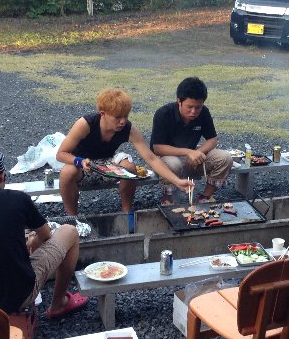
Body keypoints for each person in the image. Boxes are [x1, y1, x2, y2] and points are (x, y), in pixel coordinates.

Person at [0, 147, 88, 319]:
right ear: (2, 176)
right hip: (18, 296)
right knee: (69, 231)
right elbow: (46, 236)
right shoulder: (17, 199)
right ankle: (58, 304)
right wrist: (34, 241)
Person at [56, 89, 193, 228]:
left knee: (130, 168)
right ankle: (73, 219)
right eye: (117, 117)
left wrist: (177, 181)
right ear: (103, 113)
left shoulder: (128, 129)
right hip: (83, 164)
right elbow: (61, 154)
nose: (122, 121)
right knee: (67, 172)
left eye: (125, 116)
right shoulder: (86, 124)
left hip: (107, 162)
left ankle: (126, 212)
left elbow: (151, 159)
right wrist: (79, 161)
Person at [150, 77, 233, 205]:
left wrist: (198, 152)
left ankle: (205, 197)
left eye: (198, 107)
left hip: (192, 160)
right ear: (179, 101)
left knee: (224, 158)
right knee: (173, 163)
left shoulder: (204, 112)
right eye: (189, 107)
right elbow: (158, 148)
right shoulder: (164, 114)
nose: (193, 112)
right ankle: (168, 200)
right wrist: (189, 152)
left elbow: (212, 139)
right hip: (166, 161)